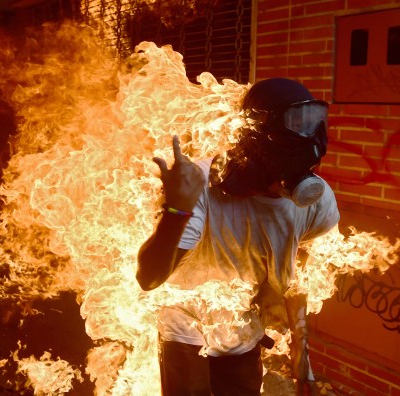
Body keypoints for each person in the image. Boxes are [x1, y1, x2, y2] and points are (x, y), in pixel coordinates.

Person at [137, 77, 340, 395]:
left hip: (242, 330)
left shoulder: (316, 202)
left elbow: (297, 279)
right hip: (184, 324)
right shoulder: (199, 184)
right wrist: (178, 209)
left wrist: (302, 363)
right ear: (256, 140)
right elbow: (149, 278)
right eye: (294, 123)